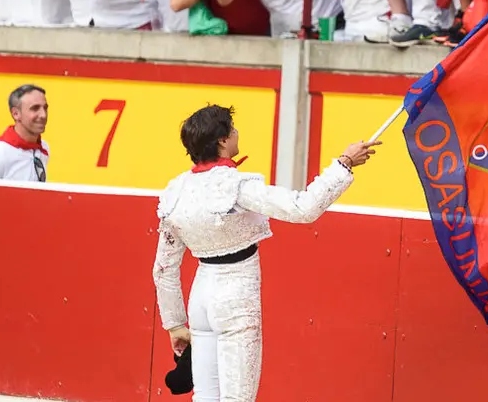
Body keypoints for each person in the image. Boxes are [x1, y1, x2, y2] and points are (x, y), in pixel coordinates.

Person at [152, 104, 380, 402]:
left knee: (205, 398)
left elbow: (164, 269)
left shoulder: (176, 192)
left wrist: (175, 324)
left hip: (201, 299)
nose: (236, 133)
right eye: (232, 130)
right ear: (222, 140)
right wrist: (344, 163)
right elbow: (304, 208)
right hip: (236, 298)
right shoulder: (236, 186)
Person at [0, 84, 50, 182]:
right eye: (35, 108)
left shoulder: (43, 147)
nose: (43, 115)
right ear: (16, 114)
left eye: (45, 108)